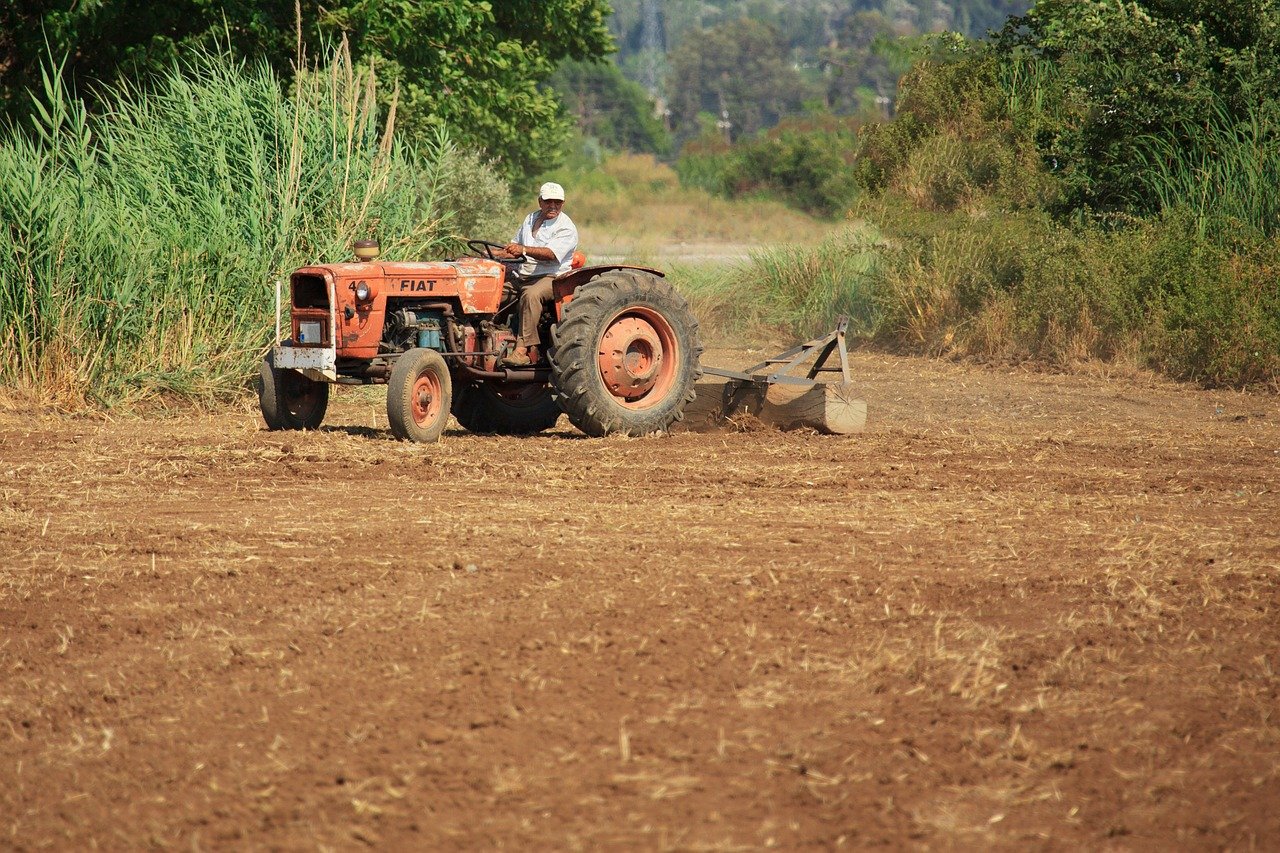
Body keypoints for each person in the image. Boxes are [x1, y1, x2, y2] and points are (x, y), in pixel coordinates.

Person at [498, 182, 578, 367]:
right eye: (548, 201)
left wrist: (523, 249)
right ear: (540, 201)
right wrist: (491, 255)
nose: (553, 206)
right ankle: (489, 337)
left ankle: (522, 350)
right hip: (523, 274)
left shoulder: (566, 227)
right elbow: (513, 247)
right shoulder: (530, 219)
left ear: (563, 203)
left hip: (552, 277)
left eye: (557, 202)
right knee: (493, 292)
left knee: (531, 295)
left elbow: (551, 254)